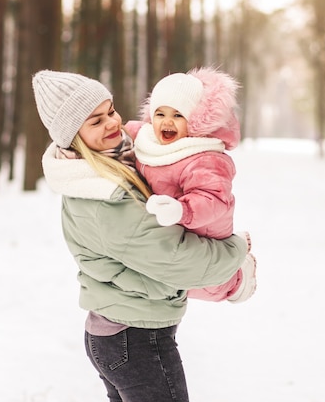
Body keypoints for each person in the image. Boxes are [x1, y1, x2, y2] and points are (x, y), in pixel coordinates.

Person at [31, 69, 256, 402]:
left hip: (122, 334)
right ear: (72, 136)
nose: (111, 123)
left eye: (110, 111)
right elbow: (179, 260)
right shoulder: (102, 197)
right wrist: (237, 250)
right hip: (134, 339)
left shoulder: (112, 164)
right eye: (95, 121)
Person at [124, 67, 247, 302]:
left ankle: (239, 277)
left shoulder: (205, 158)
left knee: (200, 283)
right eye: (160, 114)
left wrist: (182, 209)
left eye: (178, 115)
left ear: (194, 120)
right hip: (175, 232)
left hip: (205, 234)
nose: (167, 121)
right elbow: (117, 136)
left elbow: (214, 199)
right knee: (167, 279)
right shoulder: (144, 139)